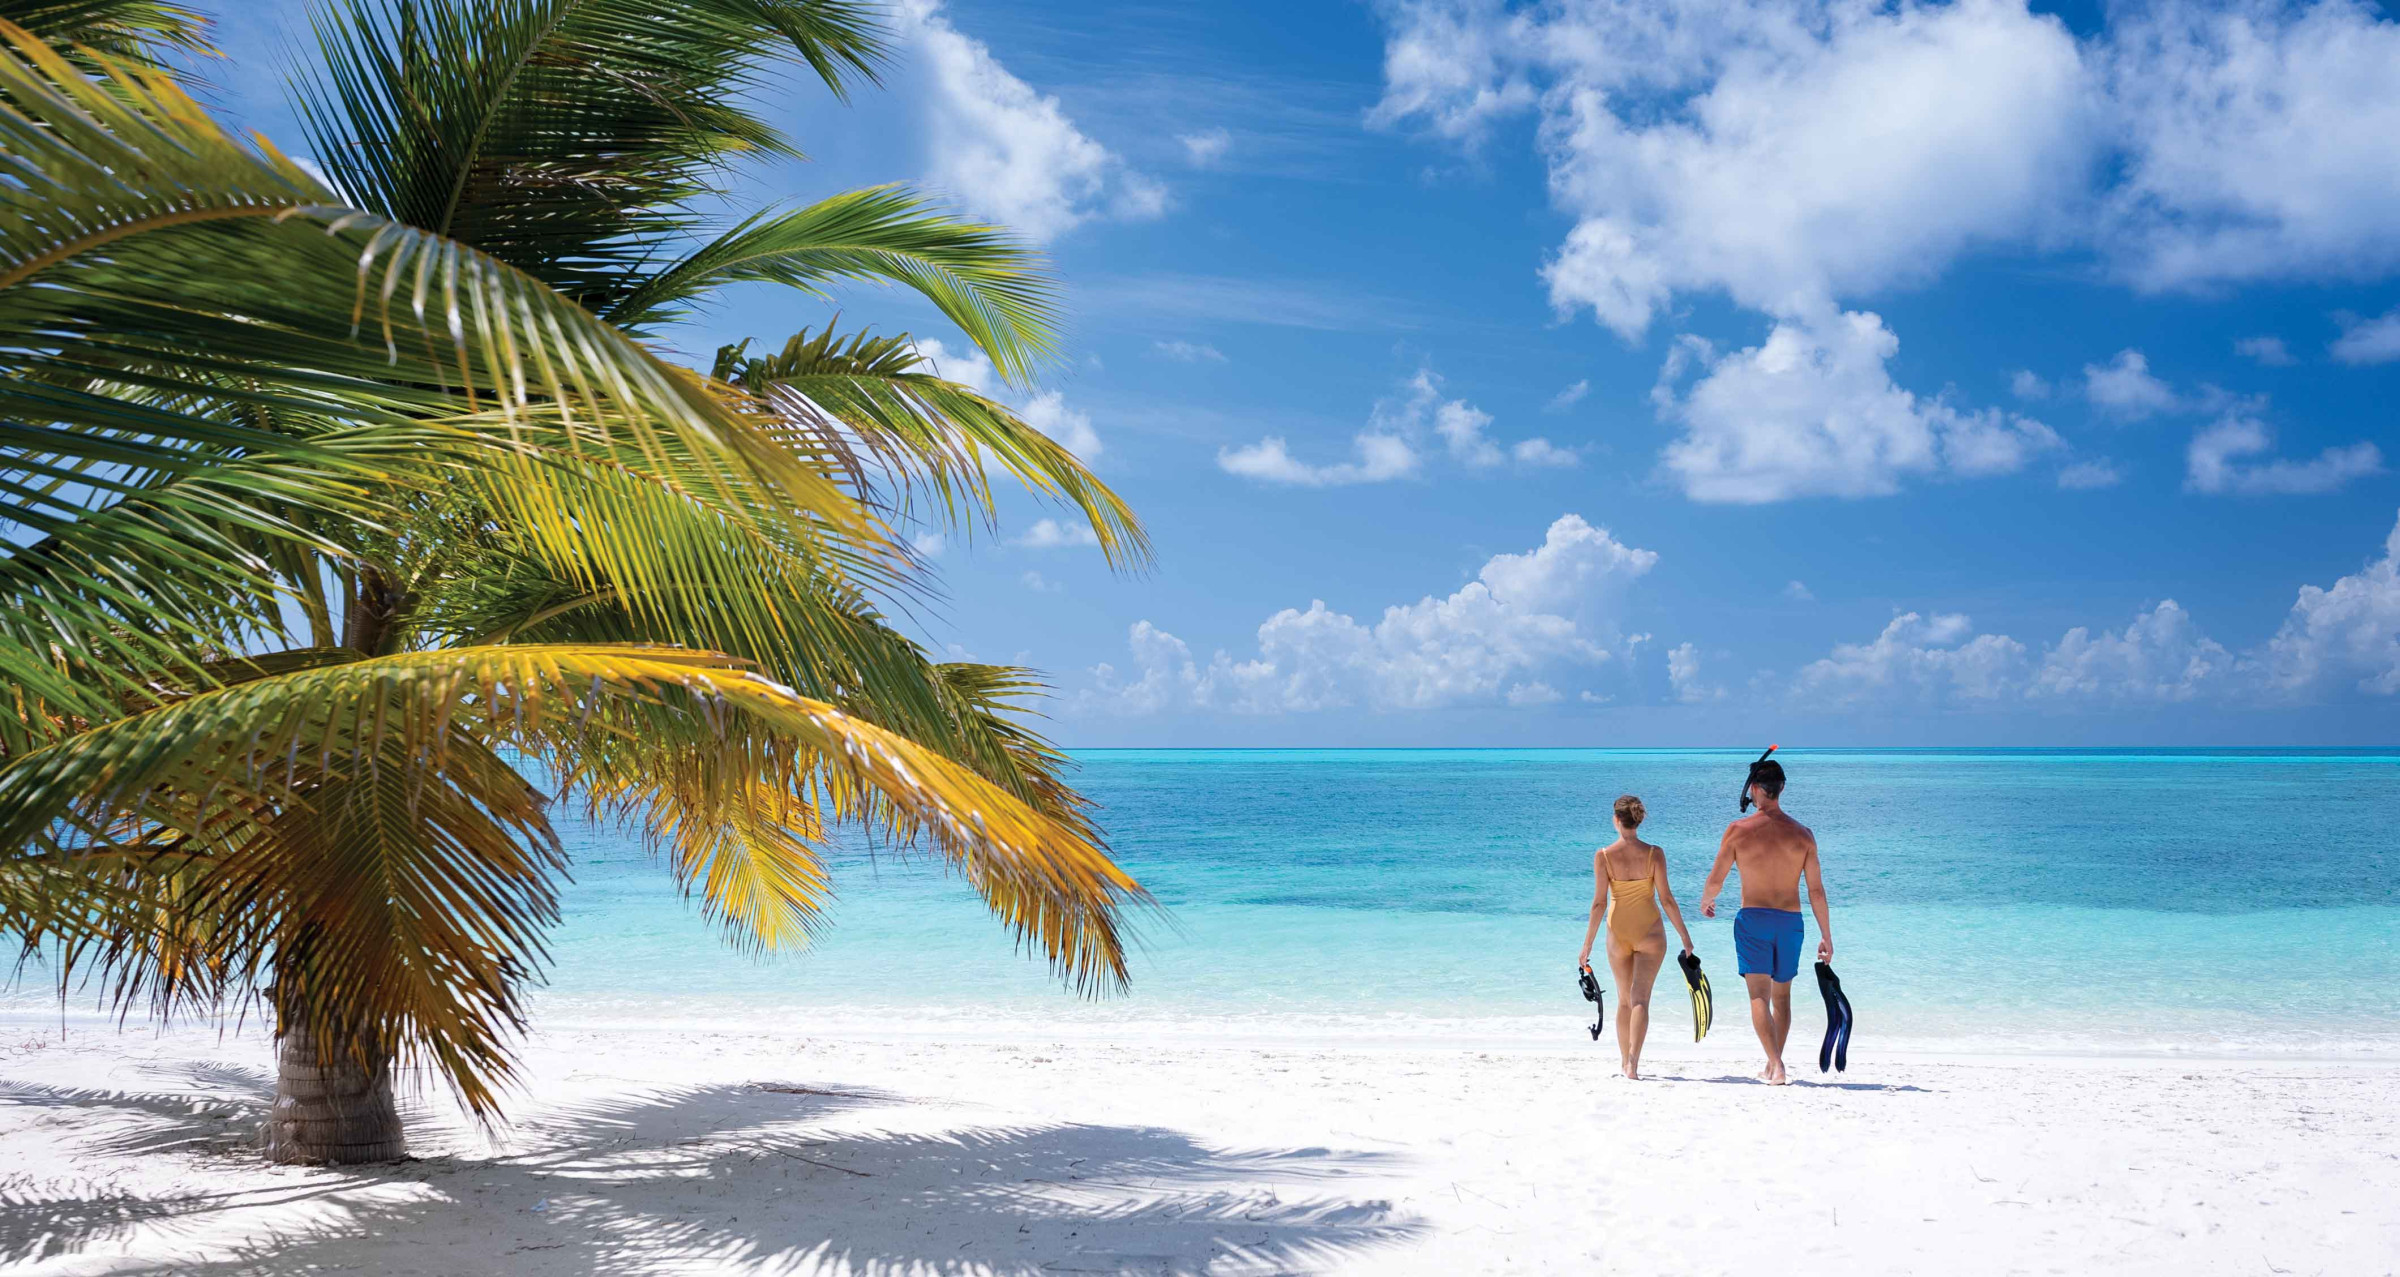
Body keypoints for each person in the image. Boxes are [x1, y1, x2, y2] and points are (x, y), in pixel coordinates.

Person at [1699, 756, 1831, 1085]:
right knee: (1782, 996)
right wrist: (1827, 935)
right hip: (1790, 921)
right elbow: (1816, 891)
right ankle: (1775, 1064)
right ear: (1781, 788)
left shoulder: (1738, 830)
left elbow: (1717, 877)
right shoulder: (1804, 835)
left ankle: (1775, 1063)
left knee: (1759, 996)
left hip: (1753, 919)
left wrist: (1707, 900)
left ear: (1755, 789)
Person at [1576, 795, 1696, 1080]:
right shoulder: (1655, 853)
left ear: (1617, 820)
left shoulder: (1604, 855)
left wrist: (1587, 944)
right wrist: (1685, 938)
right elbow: (1666, 899)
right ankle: (1633, 1064)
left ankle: (1623, 1063)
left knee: (1624, 1001)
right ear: (1637, 820)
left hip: (1618, 932)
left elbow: (1598, 904)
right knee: (1641, 999)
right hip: (1650, 931)